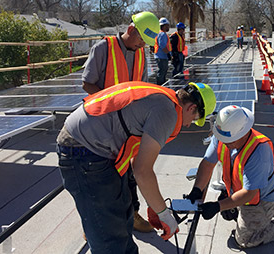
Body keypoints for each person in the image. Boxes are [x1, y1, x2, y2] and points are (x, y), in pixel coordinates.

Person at [57, 81, 216, 253]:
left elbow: (137, 161)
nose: (188, 124)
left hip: (93, 147)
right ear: (192, 108)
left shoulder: (164, 99)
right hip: (83, 151)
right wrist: (164, 214)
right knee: (109, 237)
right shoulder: (167, 112)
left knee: (125, 211)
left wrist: (155, 206)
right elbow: (142, 170)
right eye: (194, 119)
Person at [80, 11, 158, 234]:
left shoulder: (141, 53)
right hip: (100, 125)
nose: (142, 45)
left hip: (127, 127)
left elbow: (140, 87)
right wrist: (109, 106)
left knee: (127, 174)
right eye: (142, 39)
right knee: (100, 178)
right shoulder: (103, 48)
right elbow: (87, 83)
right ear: (131, 30)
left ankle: (132, 214)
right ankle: (92, 224)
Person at [185, 105, 274, 248]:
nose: (225, 143)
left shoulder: (259, 151)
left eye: (230, 140)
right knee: (236, 212)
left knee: (246, 240)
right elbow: (207, 164)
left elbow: (249, 194)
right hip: (242, 193)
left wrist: (218, 206)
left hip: (260, 199)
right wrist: (197, 189)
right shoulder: (224, 134)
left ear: (243, 133)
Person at [154, 17, 172, 85]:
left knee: (162, 71)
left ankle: (162, 84)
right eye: (167, 25)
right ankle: (160, 85)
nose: (168, 27)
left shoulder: (159, 33)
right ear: (163, 26)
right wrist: (168, 54)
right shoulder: (162, 34)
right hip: (162, 57)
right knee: (162, 72)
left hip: (161, 56)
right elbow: (162, 45)